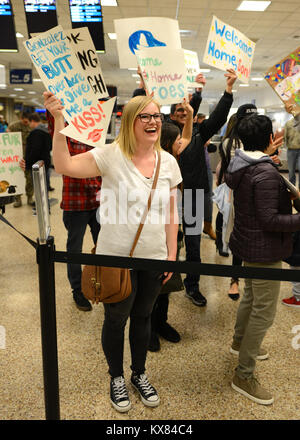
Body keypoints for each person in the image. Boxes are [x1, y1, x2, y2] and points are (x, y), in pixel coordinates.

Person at [44, 91, 182, 413]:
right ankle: (116, 376)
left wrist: (172, 254)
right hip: (115, 256)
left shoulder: (169, 162)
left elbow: (173, 213)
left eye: (157, 116)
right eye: (144, 116)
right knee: (116, 318)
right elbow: (63, 165)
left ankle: (139, 373)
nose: (153, 122)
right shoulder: (111, 155)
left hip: (154, 256)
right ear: (129, 122)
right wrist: (60, 121)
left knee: (144, 316)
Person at [225, 114, 300, 405]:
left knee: (251, 298)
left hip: (248, 243)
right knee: (264, 311)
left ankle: (239, 342)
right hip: (264, 248)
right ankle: (244, 374)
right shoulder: (266, 173)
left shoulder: (241, 163)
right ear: (270, 139)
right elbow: (270, 220)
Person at [170, 68, 237, 307]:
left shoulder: (199, 132)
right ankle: (161, 289)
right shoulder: (162, 134)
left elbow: (218, 117)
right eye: (178, 111)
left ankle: (192, 286)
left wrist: (228, 90)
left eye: (185, 111)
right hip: (166, 201)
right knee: (165, 247)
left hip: (193, 197)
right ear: (171, 116)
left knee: (193, 245)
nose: (182, 113)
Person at [149, 99, 193, 352]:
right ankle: (149, 329)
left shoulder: (173, 161)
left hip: (170, 233)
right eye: (177, 140)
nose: (182, 142)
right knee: (151, 288)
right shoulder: (153, 163)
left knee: (167, 283)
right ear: (167, 143)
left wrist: (190, 113)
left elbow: (186, 137)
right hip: (151, 235)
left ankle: (162, 322)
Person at [47, 112, 101, 312]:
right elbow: (55, 126)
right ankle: (77, 290)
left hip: (98, 201)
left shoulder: (97, 137)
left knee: (104, 246)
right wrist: (56, 111)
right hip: (75, 203)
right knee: (74, 251)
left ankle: (104, 281)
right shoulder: (66, 135)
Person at [215, 104, 257, 300]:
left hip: (258, 194)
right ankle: (235, 280)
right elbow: (238, 170)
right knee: (237, 236)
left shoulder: (262, 138)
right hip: (237, 195)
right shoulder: (230, 144)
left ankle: (250, 280)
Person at [196, 113, 216, 241]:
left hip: (206, 167)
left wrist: (207, 144)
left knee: (208, 198)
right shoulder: (193, 133)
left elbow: (212, 147)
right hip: (193, 168)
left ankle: (207, 226)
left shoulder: (204, 134)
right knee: (194, 198)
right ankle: (196, 228)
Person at [7, 112, 33, 207]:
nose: (26, 123)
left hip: (28, 156)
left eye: (28, 121)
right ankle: (18, 199)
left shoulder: (31, 126)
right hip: (16, 157)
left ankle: (30, 197)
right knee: (17, 178)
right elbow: (6, 135)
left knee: (30, 178)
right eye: (25, 121)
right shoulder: (14, 126)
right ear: (21, 118)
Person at [25, 113, 52, 196]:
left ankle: (40, 207)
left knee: (39, 186)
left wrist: (28, 161)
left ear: (32, 121)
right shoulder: (47, 130)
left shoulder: (36, 133)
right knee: (44, 185)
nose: (29, 125)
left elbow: (35, 150)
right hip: (46, 161)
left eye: (29, 123)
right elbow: (50, 146)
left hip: (37, 163)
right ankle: (45, 205)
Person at [282, 197, 300, 308]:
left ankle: (298, 299)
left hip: (296, 257)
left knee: (296, 278)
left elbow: (290, 239)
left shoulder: (294, 221)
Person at [283, 104, 300, 188]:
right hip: (291, 149)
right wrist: (283, 146)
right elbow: (284, 136)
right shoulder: (288, 123)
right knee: (291, 171)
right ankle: (291, 188)